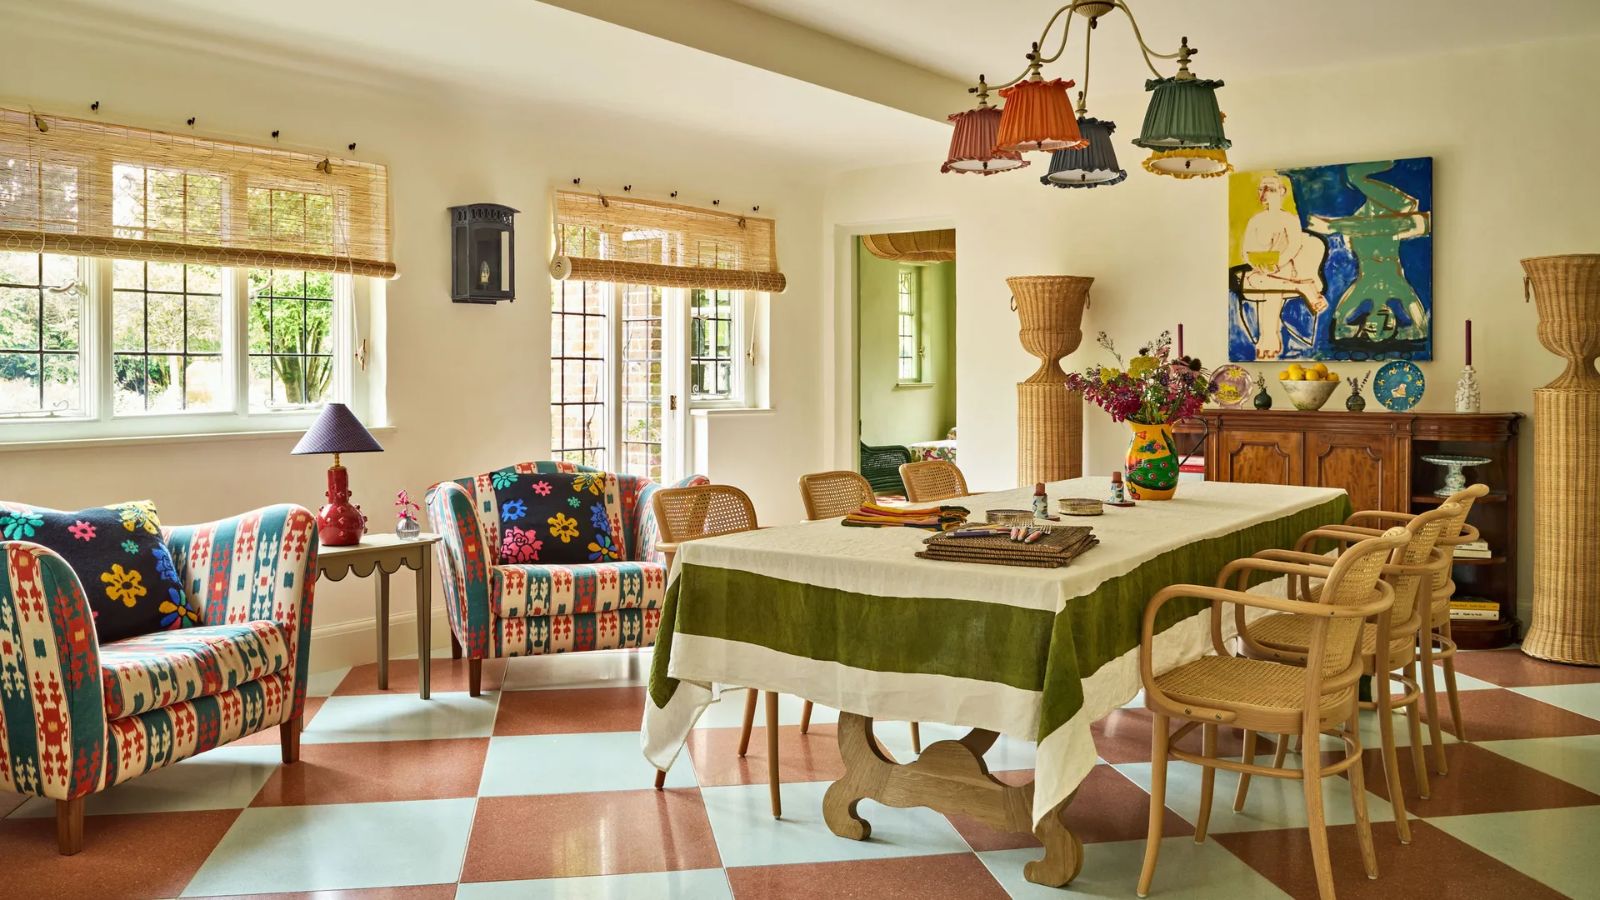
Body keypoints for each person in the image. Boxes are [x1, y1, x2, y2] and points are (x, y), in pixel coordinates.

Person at [1238, 174, 1329, 359]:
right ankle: (1301, 286)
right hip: (1262, 270)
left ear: (1281, 192)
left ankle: (1269, 337)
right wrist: (1257, 263)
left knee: (1272, 289)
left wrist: (1278, 264)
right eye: (1261, 189)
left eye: (1270, 189)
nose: (1265, 193)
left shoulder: (1289, 219)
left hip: (1286, 268)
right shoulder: (1255, 220)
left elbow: (1294, 246)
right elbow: (1246, 250)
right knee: (1256, 279)